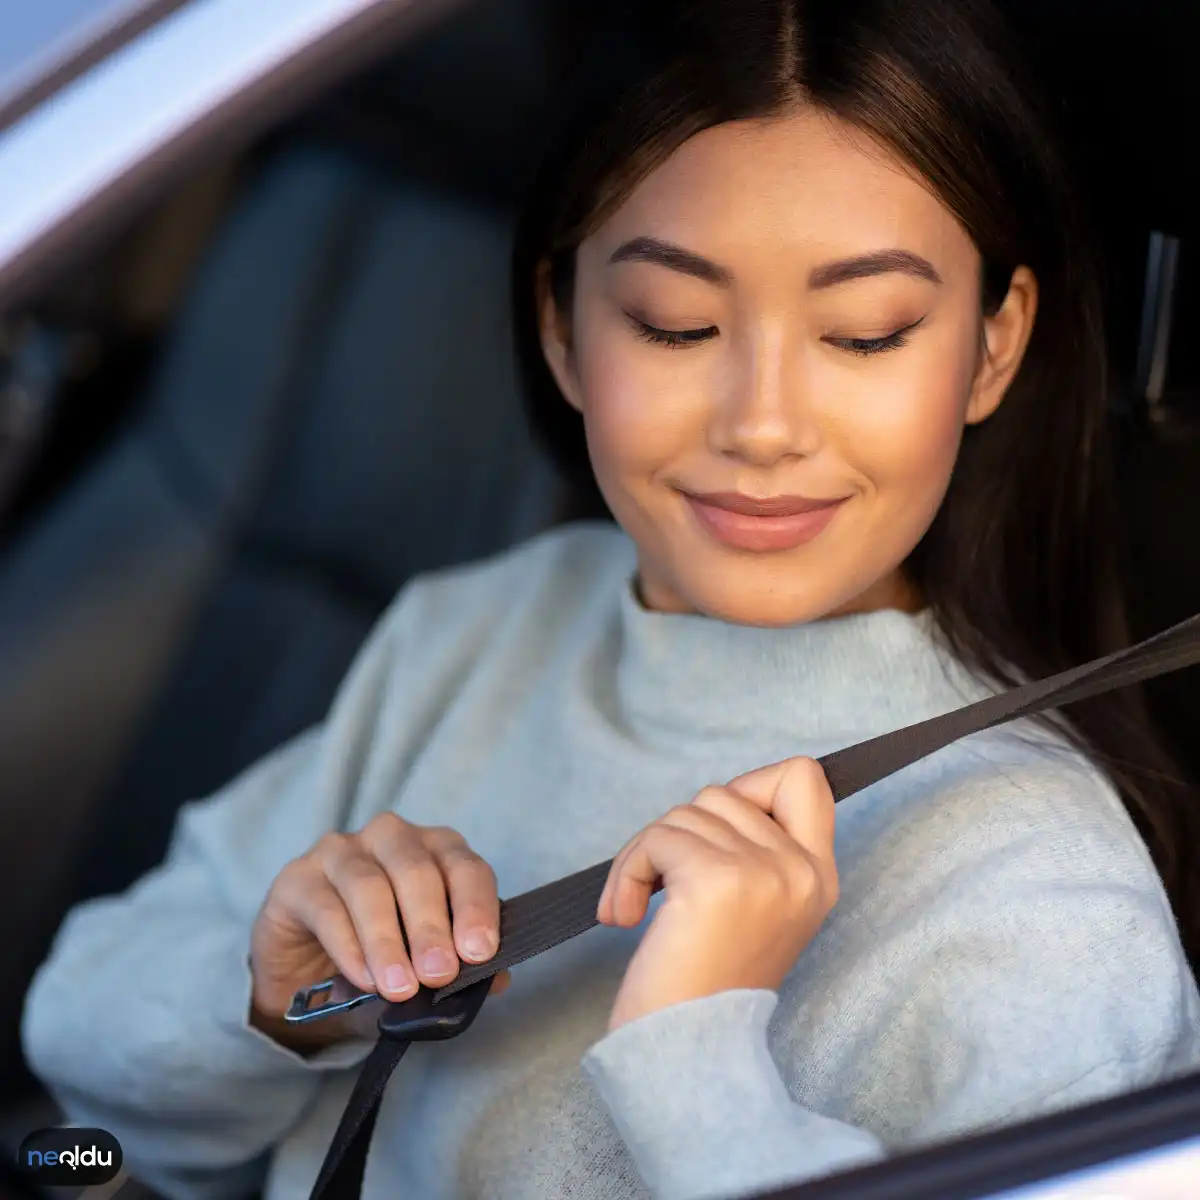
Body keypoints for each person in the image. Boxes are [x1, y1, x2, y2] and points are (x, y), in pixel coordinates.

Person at [21, 0, 1200, 1197]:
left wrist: (694, 1053)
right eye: (675, 324)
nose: (763, 426)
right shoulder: (485, 626)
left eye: (862, 334)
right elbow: (84, 1044)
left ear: (993, 350)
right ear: (564, 328)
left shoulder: (1045, 895)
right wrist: (283, 1006)